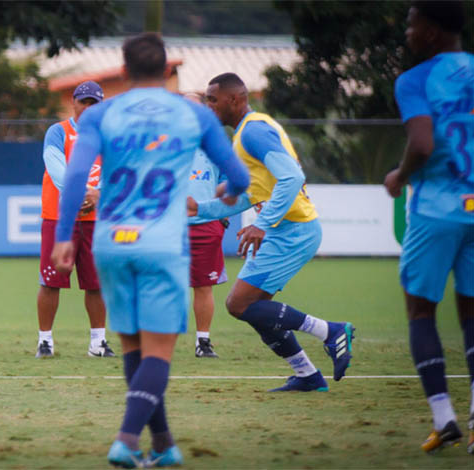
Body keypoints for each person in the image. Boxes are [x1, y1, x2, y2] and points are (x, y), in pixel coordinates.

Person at [51, 33, 250, 468]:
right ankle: (125, 439)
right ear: (166, 71)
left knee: (134, 350)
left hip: (111, 243)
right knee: (158, 353)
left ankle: (163, 445)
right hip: (162, 242)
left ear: (123, 71)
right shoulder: (193, 113)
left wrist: (65, 236)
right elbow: (238, 174)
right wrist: (231, 192)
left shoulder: (99, 114)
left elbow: (75, 177)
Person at [203, 72, 355, 393]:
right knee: (258, 312)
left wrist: (261, 224)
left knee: (238, 305)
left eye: (212, 99)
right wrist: (197, 211)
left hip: (293, 231)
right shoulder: (246, 132)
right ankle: (307, 376)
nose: (208, 106)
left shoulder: (253, 132)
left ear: (235, 99)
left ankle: (331, 331)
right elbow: (249, 195)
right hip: (286, 230)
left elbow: (292, 177)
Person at [383, 0, 474, 454]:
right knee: (473, 313)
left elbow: (422, 142)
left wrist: (400, 176)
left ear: (433, 33)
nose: (408, 33)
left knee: (421, 311)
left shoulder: (415, 80)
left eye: (412, 24)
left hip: (437, 208)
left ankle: (444, 418)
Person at [36, 80, 114, 358]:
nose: (89, 108)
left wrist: (98, 193)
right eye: (85, 102)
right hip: (59, 217)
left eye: (95, 103)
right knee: (50, 281)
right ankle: (45, 341)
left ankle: (98, 343)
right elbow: (55, 166)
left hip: (96, 219)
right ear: (74, 102)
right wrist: (81, 193)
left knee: (96, 283)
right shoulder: (58, 132)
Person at [184, 92, 229, 358]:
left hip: (206, 223)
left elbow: (227, 179)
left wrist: (221, 207)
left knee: (203, 285)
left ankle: (203, 342)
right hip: (169, 225)